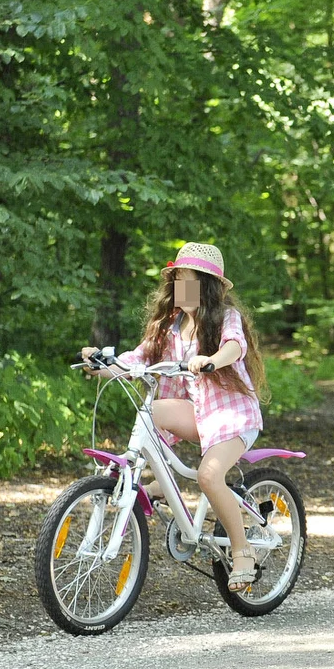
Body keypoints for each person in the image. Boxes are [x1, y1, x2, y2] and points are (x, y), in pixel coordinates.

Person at [81, 242, 269, 592]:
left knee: (210, 475)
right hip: (198, 412)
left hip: (231, 415)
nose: (180, 287)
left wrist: (211, 359)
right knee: (150, 411)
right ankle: (158, 484)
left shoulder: (225, 318)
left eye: (189, 280)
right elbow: (137, 359)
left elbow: (235, 345)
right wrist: (103, 365)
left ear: (206, 286)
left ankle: (243, 552)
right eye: (177, 280)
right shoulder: (170, 325)